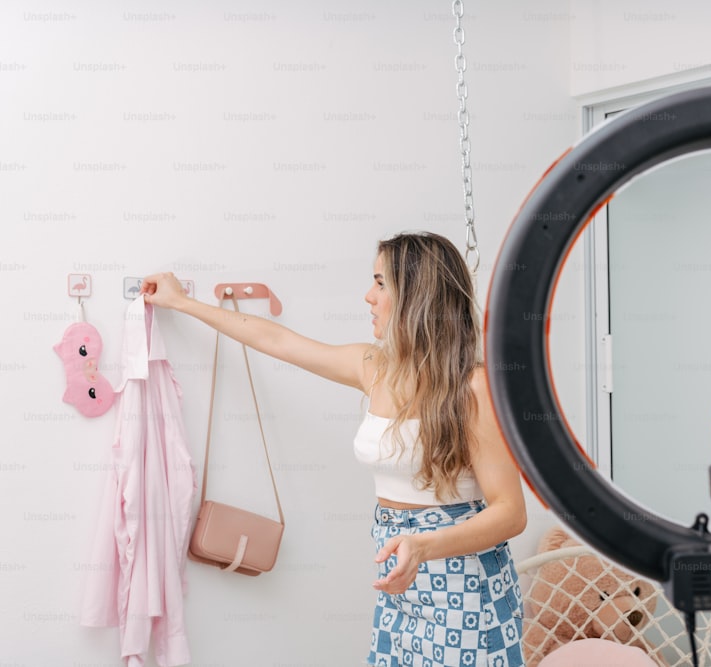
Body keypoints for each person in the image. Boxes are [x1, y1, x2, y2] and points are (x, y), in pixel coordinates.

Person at [141, 231, 528, 667]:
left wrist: (423, 547)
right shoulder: (376, 367)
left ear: (417, 295)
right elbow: (277, 341)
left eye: (381, 283)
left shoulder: (472, 387)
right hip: (399, 579)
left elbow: (510, 512)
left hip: (464, 586)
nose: (368, 296)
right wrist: (182, 303)